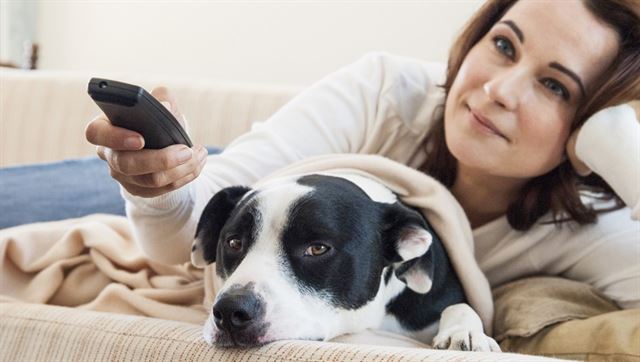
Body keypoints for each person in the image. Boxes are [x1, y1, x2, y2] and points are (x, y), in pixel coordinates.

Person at [85, 0, 639, 315]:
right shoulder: (384, 92)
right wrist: (157, 187)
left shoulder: (589, 228)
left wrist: (625, 152)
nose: (500, 90)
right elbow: (180, 238)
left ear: (592, 123)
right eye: (502, 45)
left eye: (555, 87)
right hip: (212, 190)